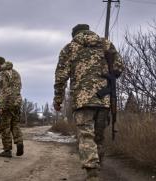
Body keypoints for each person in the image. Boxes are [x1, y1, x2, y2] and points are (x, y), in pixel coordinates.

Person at [53, 24, 124, 181]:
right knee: (98, 137)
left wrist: (57, 100)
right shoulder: (105, 44)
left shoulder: (69, 48)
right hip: (104, 99)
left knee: (86, 136)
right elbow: (119, 67)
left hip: (82, 100)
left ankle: (92, 174)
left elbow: (60, 77)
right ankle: (99, 166)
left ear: (74, 35)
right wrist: (107, 76)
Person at [0, 57, 24, 158]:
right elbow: (18, 88)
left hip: (6, 104)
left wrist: (0, 106)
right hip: (17, 103)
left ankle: (7, 150)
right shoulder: (16, 73)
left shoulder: (2, 74)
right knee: (15, 124)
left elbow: (2, 92)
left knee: (4, 127)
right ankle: (19, 142)